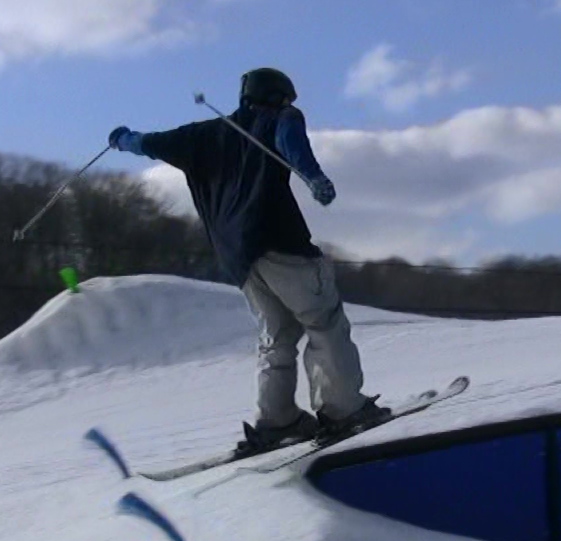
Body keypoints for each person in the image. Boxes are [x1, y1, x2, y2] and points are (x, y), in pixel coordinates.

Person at [108, 67, 386, 456]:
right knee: (324, 322)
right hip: (281, 242)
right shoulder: (280, 117)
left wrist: (122, 140)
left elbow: (148, 143)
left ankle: (278, 422)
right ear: (278, 97)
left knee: (277, 337)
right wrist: (313, 176)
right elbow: (291, 139)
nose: (291, 106)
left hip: (239, 258)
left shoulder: (198, 137)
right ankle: (344, 410)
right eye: (288, 100)